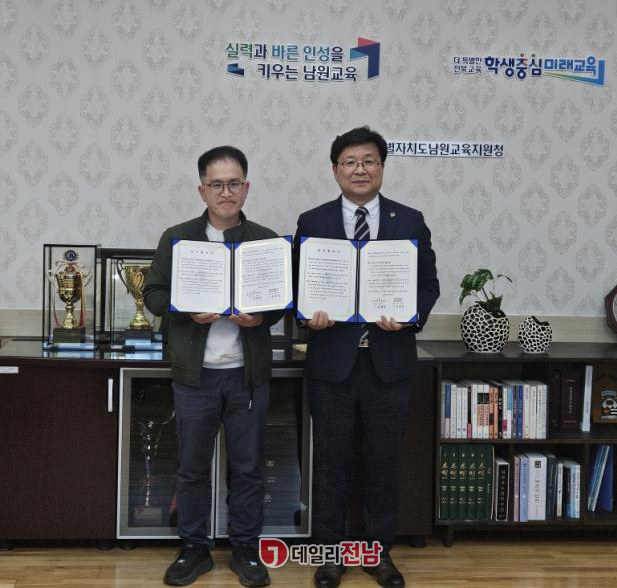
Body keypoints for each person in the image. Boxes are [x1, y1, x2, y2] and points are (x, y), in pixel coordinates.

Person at [294, 127, 439, 588]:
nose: (360, 169)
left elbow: (428, 285)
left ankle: (378, 554)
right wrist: (307, 315)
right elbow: (298, 285)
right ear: (335, 169)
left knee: (382, 463)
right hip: (332, 365)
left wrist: (410, 317)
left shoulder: (409, 221)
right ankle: (330, 555)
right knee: (330, 464)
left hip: (388, 364)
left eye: (369, 161)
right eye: (350, 162)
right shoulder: (312, 221)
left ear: (382, 167)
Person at [144, 146, 280, 587]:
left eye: (234, 183)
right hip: (195, 377)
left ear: (246, 188)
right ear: (202, 190)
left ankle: (246, 550)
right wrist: (186, 309)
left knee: (248, 468)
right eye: (216, 184)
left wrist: (260, 318)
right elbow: (153, 295)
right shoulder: (177, 238)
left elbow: (281, 301)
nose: (226, 192)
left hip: (247, 376)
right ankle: (194, 548)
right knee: (192, 468)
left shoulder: (265, 241)